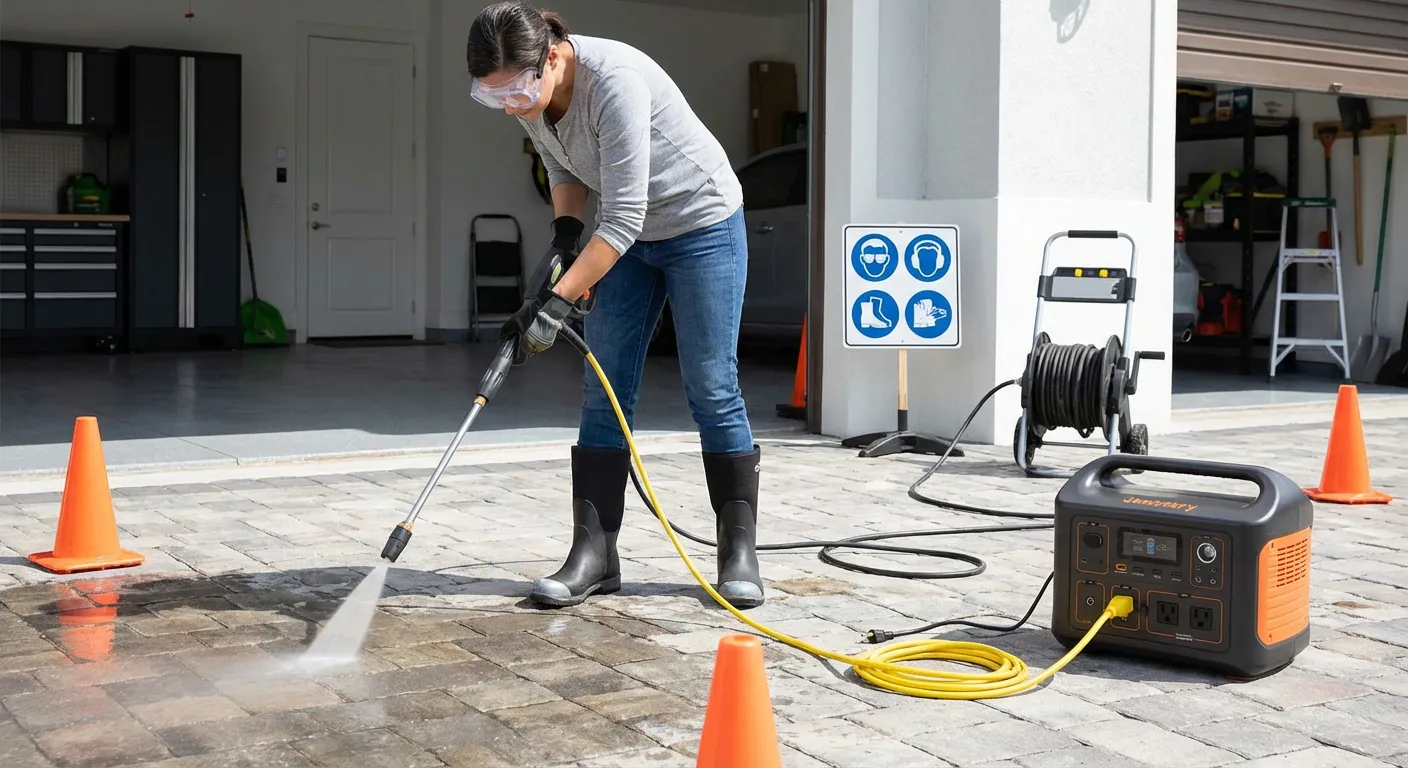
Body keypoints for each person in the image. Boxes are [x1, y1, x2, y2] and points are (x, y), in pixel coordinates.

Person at [465, 2, 765, 610]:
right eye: (495, 97)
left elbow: (625, 217)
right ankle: (595, 554)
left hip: (700, 223)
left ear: (552, 54)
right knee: (603, 387)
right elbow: (559, 161)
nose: (513, 105)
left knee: (710, 383)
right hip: (625, 236)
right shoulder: (530, 93)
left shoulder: (614, 83)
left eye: (519, 89)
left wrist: (552, 303)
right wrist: (566, 237)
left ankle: (738, 550)